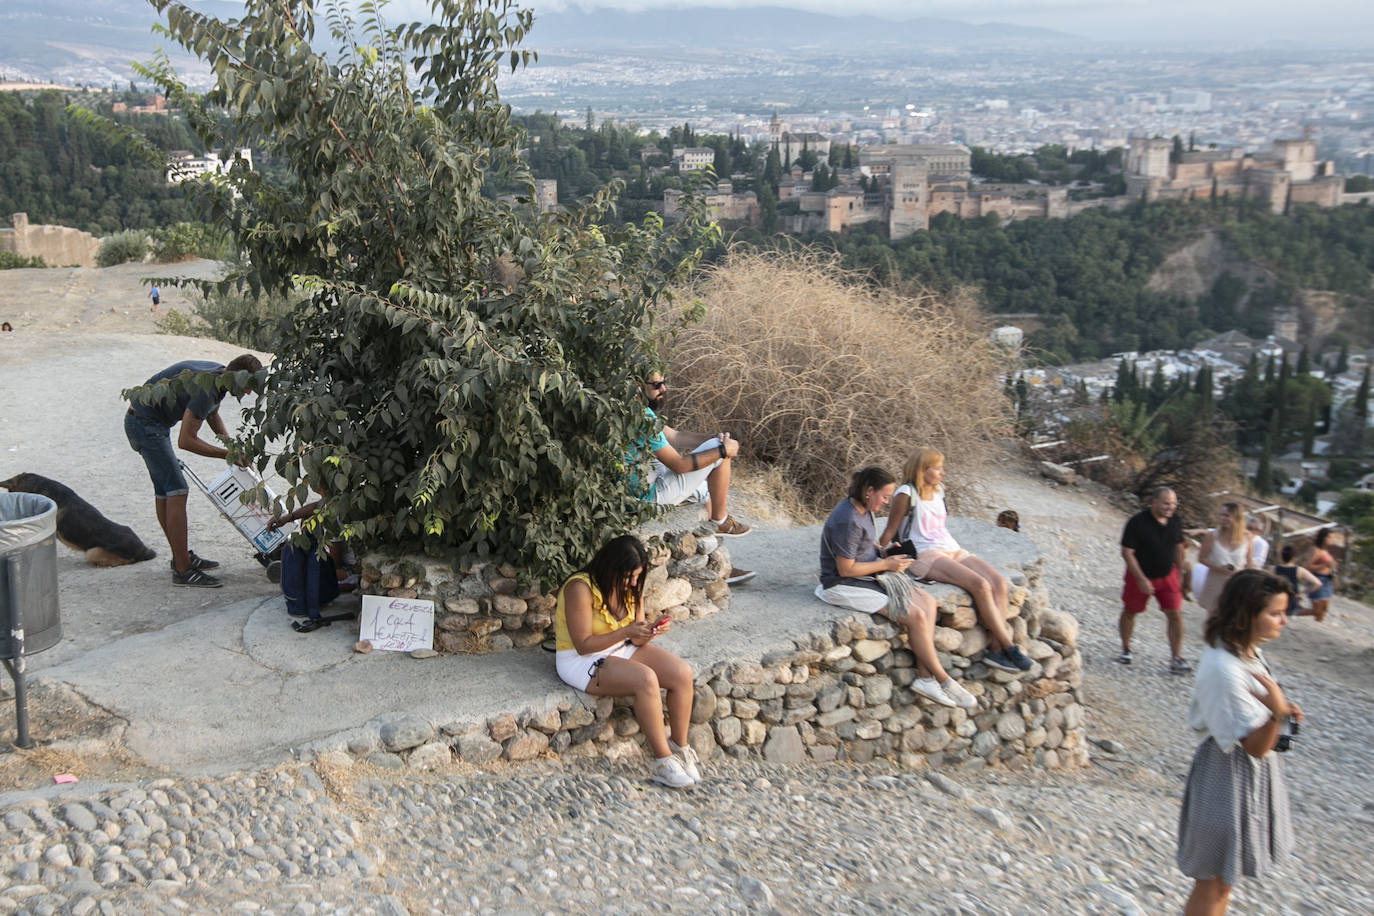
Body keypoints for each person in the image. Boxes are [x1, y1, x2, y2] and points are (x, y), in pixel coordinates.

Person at [1176, 570, 1300, 915]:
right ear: (1247, 614)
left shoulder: (1242, 652)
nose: (1284, 621)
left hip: (1236, 772)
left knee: (1224, 879)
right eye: (1275, 613)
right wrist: (1277, 714)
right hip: (1227, 775)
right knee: (1213, 880)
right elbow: (1255, 747)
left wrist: (1280, 710)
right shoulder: (1225, 666)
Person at [815, 466, 978, 710]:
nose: (886, 502)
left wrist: (884, 552)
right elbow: (845, 569)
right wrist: (886, 564)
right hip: (842, 585)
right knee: (915, 615)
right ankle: (944, 680)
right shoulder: (847, 520)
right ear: (869, 491)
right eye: (884, 496)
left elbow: (862, 545)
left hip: (868, 575)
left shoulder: (863, 509)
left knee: (928, 603)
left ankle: (925, 679)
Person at [553, 534, 702, 789]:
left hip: (621, 647)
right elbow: (583, 644)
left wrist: (650, 631)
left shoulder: (632, 587)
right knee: (646, 679)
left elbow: (636, 639)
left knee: (681, 672)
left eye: (637, 577)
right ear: (610, 567)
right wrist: (625, 632)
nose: (633, 583)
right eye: (627, 577)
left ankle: (680, 748)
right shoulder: (580, 588)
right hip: (580, 660)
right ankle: (663, 762)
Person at [879, 448, 1033, 674]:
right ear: (922, 470)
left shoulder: (939, 490)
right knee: (980, 585)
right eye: (937, 468)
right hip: (925, 554)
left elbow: (940, 527)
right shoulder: (906, 493)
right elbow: (890, 529)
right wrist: (878, 556)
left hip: (951, 548)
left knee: (999, 583)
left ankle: (996, 650)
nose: (942, 472)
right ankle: (1009, 646)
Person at [123, 354, 262, 587]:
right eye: (248, 386)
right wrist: (227, 455)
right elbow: (186, 441)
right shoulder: (206, 389)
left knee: (165, 492)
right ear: (236, 376)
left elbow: (212, 414)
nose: (248, 393)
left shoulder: (219, 376)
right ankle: (183, 570)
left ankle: (181, 556)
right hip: (145, 426)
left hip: (146, 421)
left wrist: (233, 448)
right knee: (177, 490)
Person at [630, 370, 753, 584]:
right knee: (717, 455)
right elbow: (679, 466)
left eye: (664, 382)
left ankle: (718, 566)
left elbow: (675, 437)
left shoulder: (633, 409)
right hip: (648, 498)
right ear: (638, 385)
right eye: (656, 385)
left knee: (708, 490)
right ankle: (721, 521)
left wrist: (714, 438)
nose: (663, 389)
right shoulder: (641, 418)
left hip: (648, 486)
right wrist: (721, 449)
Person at [1118, 487, 1190, 673]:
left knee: (1175, 614)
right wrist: (1141, 579)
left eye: (1173, 503)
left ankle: (1176, 658)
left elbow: (1179, 546)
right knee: (1130, 611)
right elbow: (1127, 552)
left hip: (1168, 575)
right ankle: (1125, 649)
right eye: (1166, 503)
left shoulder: (1175, 520)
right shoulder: (1137, 522)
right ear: (1154, 502)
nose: (1170, 507)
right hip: (1139, 575)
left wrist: (1180, 572)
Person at [1195, 503, 1256, 614]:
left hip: (1236, 585)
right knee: (1213, 618)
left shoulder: (1247, 537)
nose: (1223, 518)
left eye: (1227, 515)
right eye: (1221, 515)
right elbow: (1201, 558)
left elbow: (1249, 562)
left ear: (1236, 517)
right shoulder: (1212, 536)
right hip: (1215, 583)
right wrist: (1219, 568)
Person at [1271, 545, 1321, 617]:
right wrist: (1302, 593)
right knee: (1313, 611)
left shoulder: (1274, 569)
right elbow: (1317, 583)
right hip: (1292, 605)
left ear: (1282, 556)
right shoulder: (1299, 570)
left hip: (1277, 604)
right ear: (1294, 558)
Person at [1302, 527, 1336, 623]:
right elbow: (1307, 566)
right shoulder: (1315, 550)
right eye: (1329, 537)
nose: (1331, 540)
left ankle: (1318, 623)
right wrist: (1325, 565)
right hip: (1317, 579)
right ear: (1323, 538)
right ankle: (1294, 612)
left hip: (1327, 580)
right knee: (1317, 610)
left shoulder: (1326, 551)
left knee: (1324, 609)